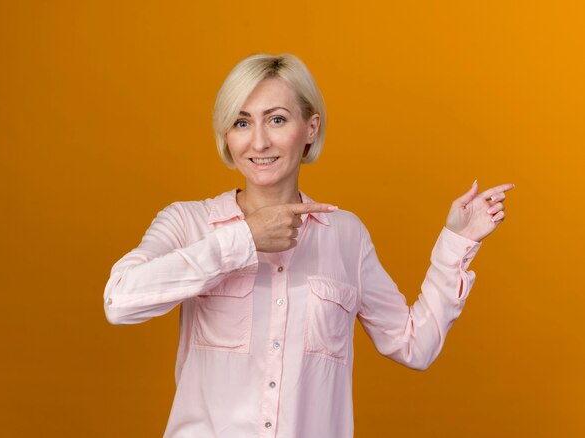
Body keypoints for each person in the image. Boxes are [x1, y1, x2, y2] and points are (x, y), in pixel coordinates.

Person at [103, 53, 515, 438]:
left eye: (277, 120)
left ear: (310, 128)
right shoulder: (188, 222)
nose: (259, 142)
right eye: (242, 123)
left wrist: (457, 241)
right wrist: (243, 240)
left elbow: (414, 344)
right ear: (226, 134)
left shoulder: (346, 236)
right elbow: (120, 301)